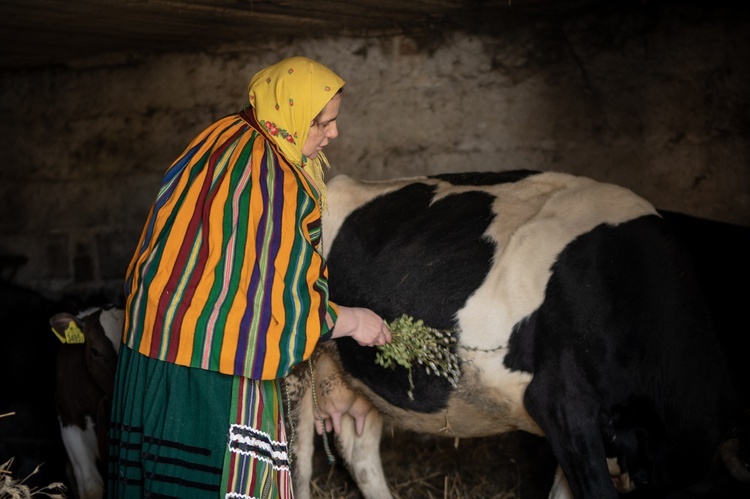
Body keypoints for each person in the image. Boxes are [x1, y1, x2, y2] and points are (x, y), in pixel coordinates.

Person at [108, 56, 392, 498]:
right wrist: (354, 321)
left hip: (153, 343)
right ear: (294, 117)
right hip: (210, 367)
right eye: (323, 123)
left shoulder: (222, 136)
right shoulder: (277, 179)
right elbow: (277, 306)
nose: (333, 134)